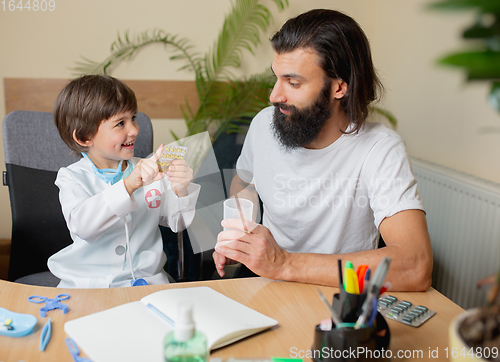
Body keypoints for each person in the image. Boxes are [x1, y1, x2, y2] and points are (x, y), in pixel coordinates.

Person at [213, 9, 433, 291]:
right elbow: (244, 181)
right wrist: (242, 237)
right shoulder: (263, 125)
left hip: (338, 296)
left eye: (293, 83)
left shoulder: (380, 149)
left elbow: (415, 265)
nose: (274, 96)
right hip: (266, 285)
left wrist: (284, 263)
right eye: (276, 77)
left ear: (339, 87)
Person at [48, 75, 200, 288]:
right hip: (89, 285)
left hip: (148, 281)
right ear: (84, 137)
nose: (134, 130)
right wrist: (129, 185)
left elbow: (178, 223)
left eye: (133, 118)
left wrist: (180, 190)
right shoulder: (71, 177)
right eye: (120, 123)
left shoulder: (150, 169)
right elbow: (83, 226)